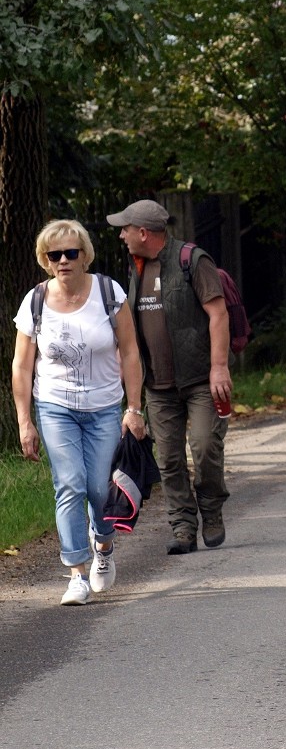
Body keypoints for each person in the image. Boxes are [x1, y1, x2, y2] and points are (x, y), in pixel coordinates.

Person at [11, 220, 146, 605]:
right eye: (55, 255)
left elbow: (131, 351)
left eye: (72, 252)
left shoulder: (108, 292)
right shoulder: (34, 301)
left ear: (85, 254)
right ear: (45, 260)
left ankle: (103, 547)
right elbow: (21, 366)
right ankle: (76, 573)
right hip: (55, 407)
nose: (64, 260)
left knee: (99, 488)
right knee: (69, 484)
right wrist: (25, 421)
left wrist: (133, 408)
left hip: (105, 406)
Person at [107, 199, 232, 555]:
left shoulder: (192, 260)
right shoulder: (137, 267)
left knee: (206, 447)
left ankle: (211, 509)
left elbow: (218, 314)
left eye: (126, 228)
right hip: (157, 385)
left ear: (143, 232)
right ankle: (182, 527)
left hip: (201, 379)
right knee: (170, 460)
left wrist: (219, 366)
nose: (121, 235)